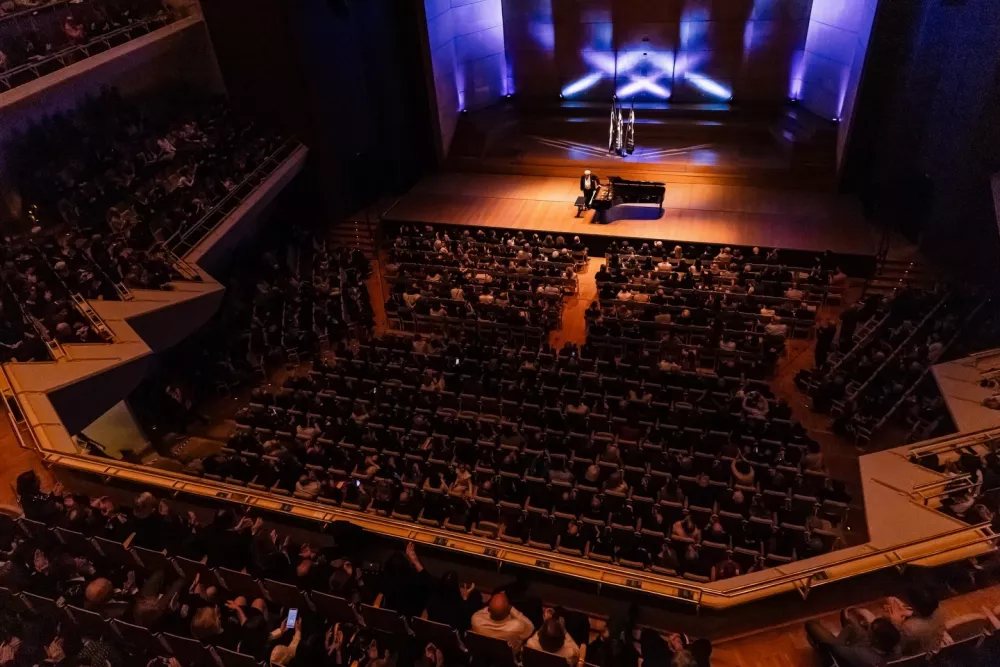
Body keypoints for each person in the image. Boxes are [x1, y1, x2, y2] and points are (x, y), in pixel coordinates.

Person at [805, 614, 900, 667]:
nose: (868, 627)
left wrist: (848, 629)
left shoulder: (859, 654)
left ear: (875, 639)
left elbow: (836, 647)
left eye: (870, 628)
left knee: (811, 625)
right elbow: (865, 639)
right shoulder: (893, 645)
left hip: (843, 654)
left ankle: (820, 652)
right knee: (848, 614)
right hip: (859, 648)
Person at [470, 592, 535, 649]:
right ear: (508, 611)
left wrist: (493, 605)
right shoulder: (517, 626)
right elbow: (530, 627)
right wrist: (511, 608)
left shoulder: (476, 620)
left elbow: (484, 611)